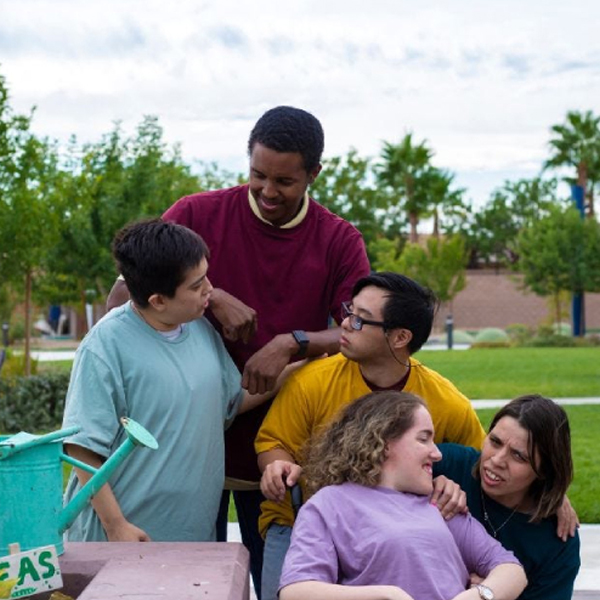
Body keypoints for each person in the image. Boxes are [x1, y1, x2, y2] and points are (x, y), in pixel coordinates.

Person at [105, 106, 370, 595]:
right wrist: (212, 295)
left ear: (314, 173)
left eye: (284, 181)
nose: (267, 191)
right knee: (181, 589)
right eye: (257, 175)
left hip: (278, 460)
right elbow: (122, 298)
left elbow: (363, 329)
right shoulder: (195, 214)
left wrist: (292, 342)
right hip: (179, 461)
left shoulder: (338, 239)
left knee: (281, 589)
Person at [62, 219, 298, 543]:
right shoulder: (105, 345)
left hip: (191, 537)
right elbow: (82, 449)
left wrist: (299, 366)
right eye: (197, 285)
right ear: (158, 300)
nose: (210, 290)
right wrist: (116, 526)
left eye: (207, 277)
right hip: (122, 540)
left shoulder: (199, 328)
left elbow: (232, 399)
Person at [256, 271, 487, 600]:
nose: (345, 324)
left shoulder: (446, 402)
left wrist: (452, 484)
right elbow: (273, 442)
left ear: (400, 337)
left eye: (360, 319)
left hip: (398, 535)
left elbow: (483, 466)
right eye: (349, 311)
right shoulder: (310, 382)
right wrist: (278, 466)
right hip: (299, 525)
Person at [279, 390, 527, 600]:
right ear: (384, 441)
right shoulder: (330, 504)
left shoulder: (439, 503)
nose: (437, 453)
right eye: (424, 439)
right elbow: (295, 591)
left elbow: (511, 570)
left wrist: (478, 595)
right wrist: (386, 595)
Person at [433, 395, 581, 600]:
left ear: (545, 470)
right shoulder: (450, 465)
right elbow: (390, 464)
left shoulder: (556, 539)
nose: (497, 460)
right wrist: (427, 482)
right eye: (495, 441)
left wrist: (494, 592)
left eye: (518, 456)